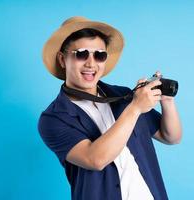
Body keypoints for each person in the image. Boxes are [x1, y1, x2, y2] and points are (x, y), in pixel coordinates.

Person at [38, 16, 182, 200]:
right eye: (81, 54)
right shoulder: (53, 119)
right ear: (62, 59)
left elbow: (171, 137)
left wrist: (166, 100)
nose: (91, 63)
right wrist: (135, 107)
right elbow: (95, 159)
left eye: (99, 55)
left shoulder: (122, 96)